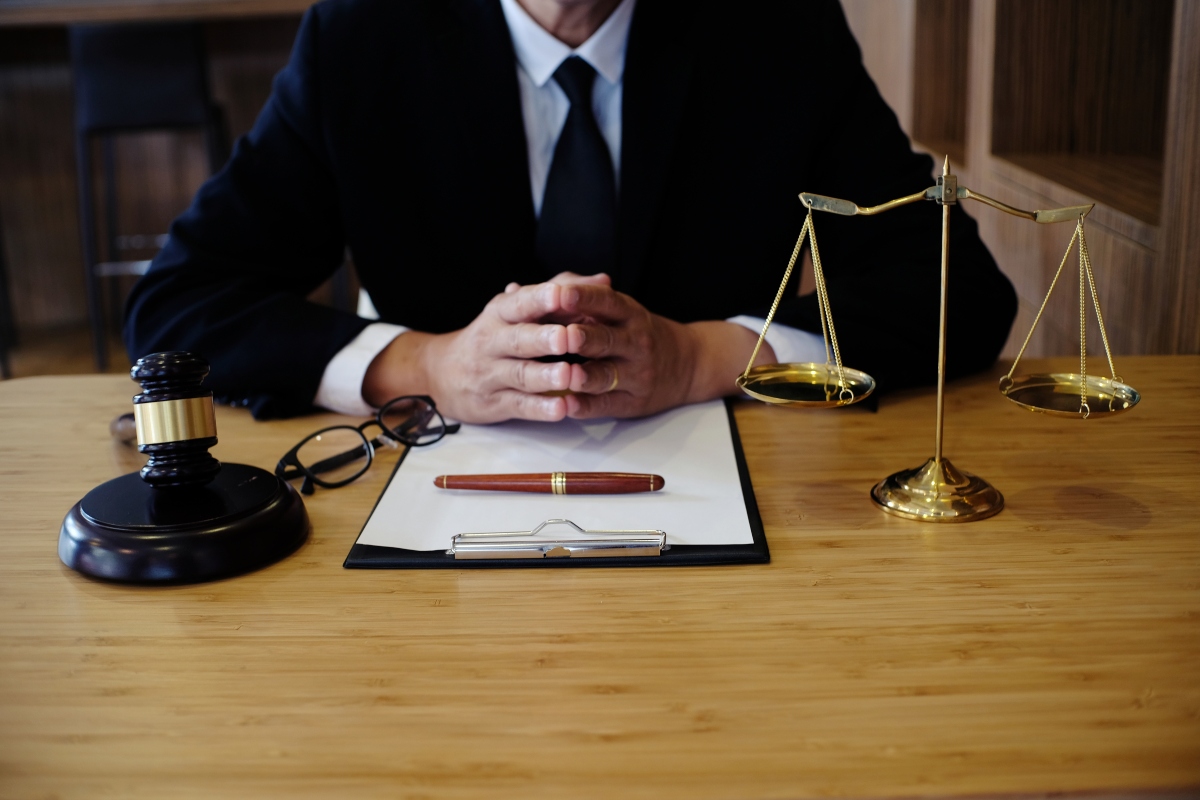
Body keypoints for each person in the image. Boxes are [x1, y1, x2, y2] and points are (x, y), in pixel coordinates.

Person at [124, 0, 1017, 423]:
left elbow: (959, 286)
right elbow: (182, 303)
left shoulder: (778, 30)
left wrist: (707, 355)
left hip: (740, 516)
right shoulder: (363, 37)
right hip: (431, 521)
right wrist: (428, 364)